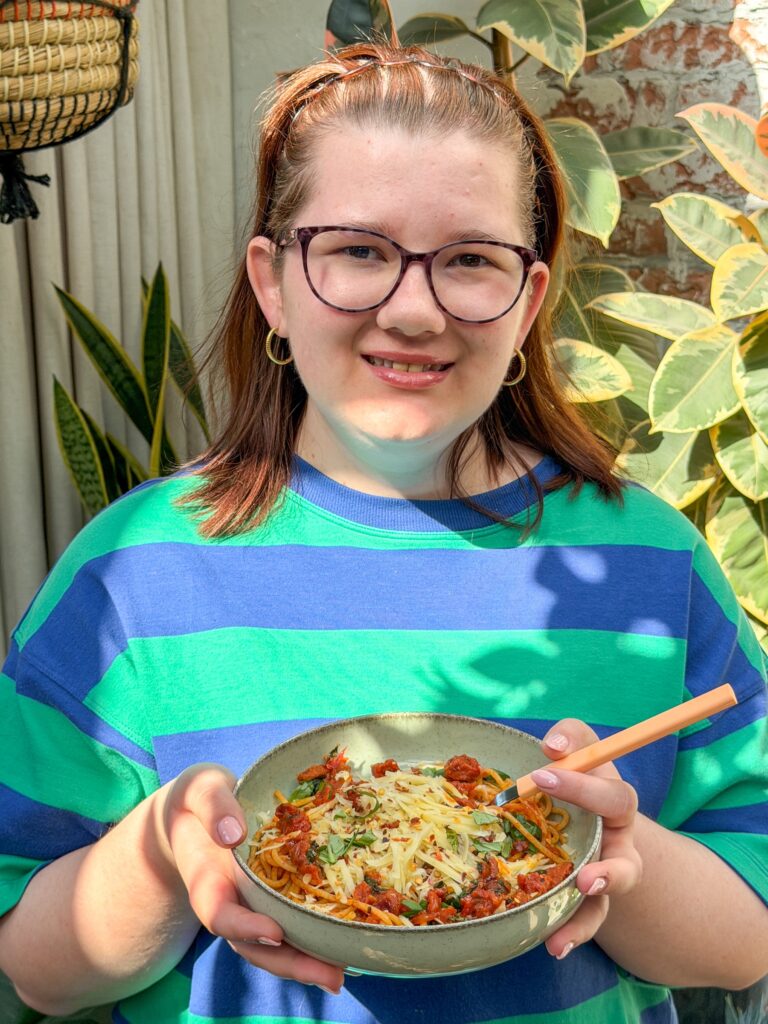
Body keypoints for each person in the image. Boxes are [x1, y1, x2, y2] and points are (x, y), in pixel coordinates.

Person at [0, 36, 766, 1024]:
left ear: (528, 300)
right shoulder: (133, 572)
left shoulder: (652, 567)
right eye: (359, 251)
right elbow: (32, 962)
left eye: (471, 261)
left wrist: (628, 858)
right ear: (274, 283)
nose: (414, 309)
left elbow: (749, 930)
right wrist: (159, 853)